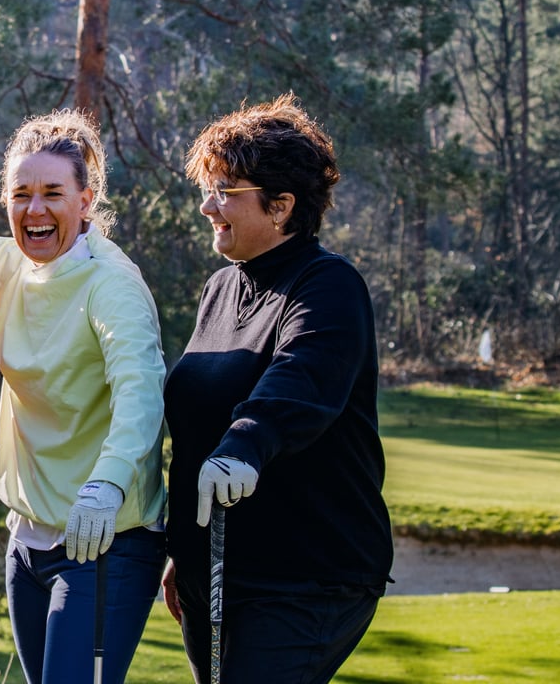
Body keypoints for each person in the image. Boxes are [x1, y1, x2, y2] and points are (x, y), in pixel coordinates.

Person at [0, 110, 168, 684]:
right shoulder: (11, 265)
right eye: (21, 194)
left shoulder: (112, 284)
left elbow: (142, 393)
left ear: (86, 199)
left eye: (54, 193)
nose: (35, 210)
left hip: (107, 536)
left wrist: (107, 483)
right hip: (27, 540)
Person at [160, 93, 393, 684]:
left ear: (282, 206)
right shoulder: (221, 288)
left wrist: (245, 443)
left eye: (226, 192)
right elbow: (195, 415)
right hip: (212, 570)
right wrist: (182, 547)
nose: (209, 206)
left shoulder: (328, 286)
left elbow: (299, 381)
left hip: (305, 577)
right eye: (207, 189)